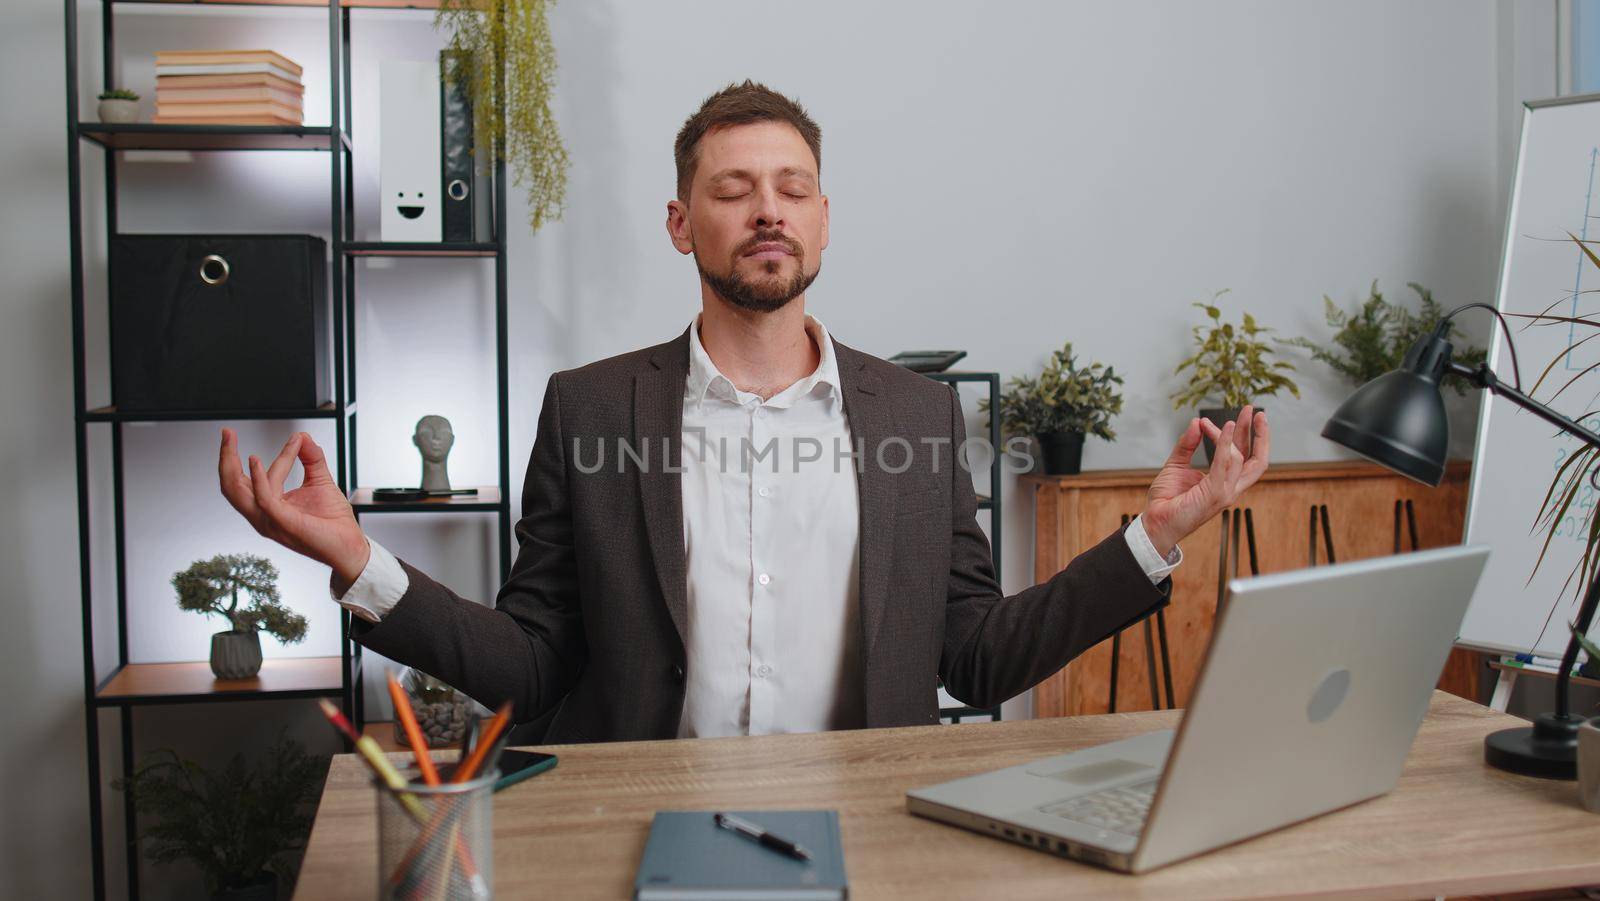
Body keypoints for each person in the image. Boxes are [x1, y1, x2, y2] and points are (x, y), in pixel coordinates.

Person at [217, 80, 1269, 743]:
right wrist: (359, 562)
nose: (766, 207)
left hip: (863, 833)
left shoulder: (916, 415)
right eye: (731, 188)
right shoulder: (587, 409)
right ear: (682, 222)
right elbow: (535, 668)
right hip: (639, 826)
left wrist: (1157, 534)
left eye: (791, 186)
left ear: (821, 219)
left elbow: (974, 655)